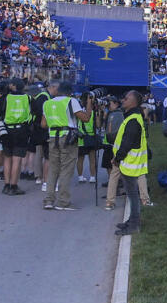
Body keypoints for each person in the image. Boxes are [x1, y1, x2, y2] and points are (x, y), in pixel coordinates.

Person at [40, 80, 89, 211]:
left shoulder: (47, 103)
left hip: (53, 137)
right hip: (68, 137)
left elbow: (43, 124)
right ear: (70, 92)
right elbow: (85, 118)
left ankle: (49, 200)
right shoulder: (71, 101)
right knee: (66, 169)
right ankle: (63, 201)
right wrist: (89, 105)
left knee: (53, 168)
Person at [113, 90, 148, 236]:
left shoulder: (133, 119)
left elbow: (126, 143)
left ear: (133, 102)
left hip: (129, 163)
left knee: (133, 196)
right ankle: (133, 221)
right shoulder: (133, 117)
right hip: (130, 162)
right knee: (132, 195)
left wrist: (117, 158)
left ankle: (133, 225)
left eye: (126, 98)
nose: (123, 100)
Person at [0, 77, 31, 195]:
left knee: (7, 158)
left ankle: (6, 185)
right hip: (21, 130)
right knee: (17, 159)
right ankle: (14, 186)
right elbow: (33, 113)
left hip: (7, 130)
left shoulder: (5, 97)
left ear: (13, 86)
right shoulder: (28, 98)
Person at [101, 96, 125, 211]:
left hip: (113, 144)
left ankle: (114, 188)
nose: (107, 104)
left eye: (109, 102)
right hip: (108, 143)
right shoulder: (111, 113)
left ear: (115, 103)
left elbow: (112, 131)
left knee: (113, 167)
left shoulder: (117, 114)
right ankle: (114, 185)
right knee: (107, 166)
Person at [75, 92, 99, 182]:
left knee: (80, 159)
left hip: (81, 138)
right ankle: (92, 177)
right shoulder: (94, 112)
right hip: (91, 137)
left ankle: (80, 177)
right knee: (92, 158)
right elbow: (98, 125)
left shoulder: (79, 111)